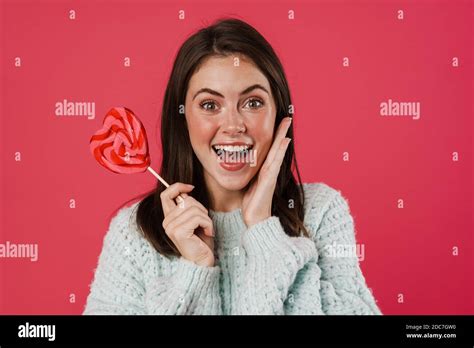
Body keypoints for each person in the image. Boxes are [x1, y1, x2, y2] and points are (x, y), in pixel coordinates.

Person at [84, 18, 382, 315]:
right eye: (210, 105)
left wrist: (265, 233)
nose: (233, 126)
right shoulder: (134, 233)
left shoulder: (321, 212)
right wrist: (195, 273)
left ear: (279, 113)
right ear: (182, 117)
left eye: (253, 103)